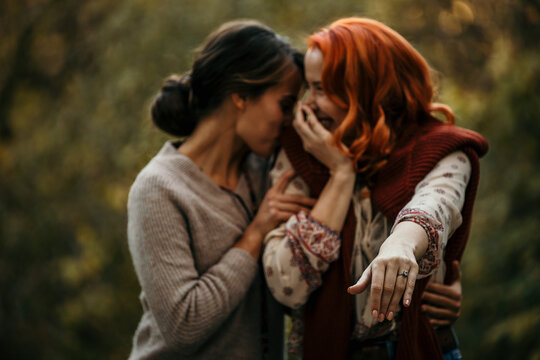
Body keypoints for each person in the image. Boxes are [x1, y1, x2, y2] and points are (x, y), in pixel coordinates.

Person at [262, 17, 488, 359]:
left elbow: (436, 204)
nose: (307, 104)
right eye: (308, 88)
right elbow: (286, 284)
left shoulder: (441, 150)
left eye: (321, 89)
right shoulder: (299, 154)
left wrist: (401, 244)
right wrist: (341, 173)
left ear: (366, 88)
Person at [126, 20, 315, 359]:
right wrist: (255, 233)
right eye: (285, 105)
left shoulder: (269, 172)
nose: (290, 120)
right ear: (241, 95)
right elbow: (183, 326)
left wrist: (443, 284)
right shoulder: (159, 189)